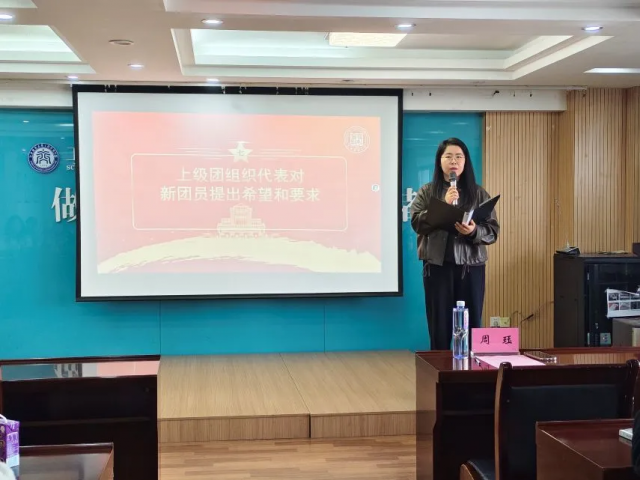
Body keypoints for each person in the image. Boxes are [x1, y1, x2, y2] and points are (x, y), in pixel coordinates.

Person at [410, 137, 499, 350]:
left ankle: (471, 368)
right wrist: (443, 205)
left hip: (471, 268)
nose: (454, 161)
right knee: (439, 326)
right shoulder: (427, 192)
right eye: (448, 156)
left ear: (465, 161)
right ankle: (439, 368)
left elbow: (492, 231)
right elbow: (417, 223)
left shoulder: (478, 193)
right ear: (439, 161)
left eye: (459, 156)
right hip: (437, 267)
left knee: (472, 324)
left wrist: (474, 231)